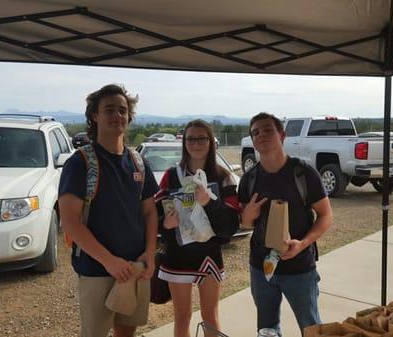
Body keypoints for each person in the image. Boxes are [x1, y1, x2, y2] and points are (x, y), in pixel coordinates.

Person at [58, 84, 159, 337]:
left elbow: (149, 213)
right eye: (109, 110)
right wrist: (109, 261)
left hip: (134, 266)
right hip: (96, 269)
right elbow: (70, 223)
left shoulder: (138, 162)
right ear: (95, 115)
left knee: (127, 332)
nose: (117, 116)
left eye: (122, 110)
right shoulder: (80, 163)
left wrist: (149, 253)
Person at [238, 112, 333, 336]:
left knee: (311, 328)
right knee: (267, 330)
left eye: (267, 129)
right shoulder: (249, 179)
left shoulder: (303, 173)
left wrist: (303, 243)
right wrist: (247, 216)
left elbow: (326, 216)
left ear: (282, 135)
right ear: (252, 141)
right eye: (255, 132)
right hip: (261, 268)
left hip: (299, 267)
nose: (261, 135)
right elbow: (245, 225)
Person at [154, 119, 240, 337]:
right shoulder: (171, 175)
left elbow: (231, 226)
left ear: (211, 142)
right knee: (182, 316)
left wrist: (208, 203)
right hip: (177, 254)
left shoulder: (223, 176)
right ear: (184, 142)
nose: (196, 143)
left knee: (210, 315)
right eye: (191, 138)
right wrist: (165, 223)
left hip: (209, 255)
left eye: (202, 138)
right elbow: (155, 214)